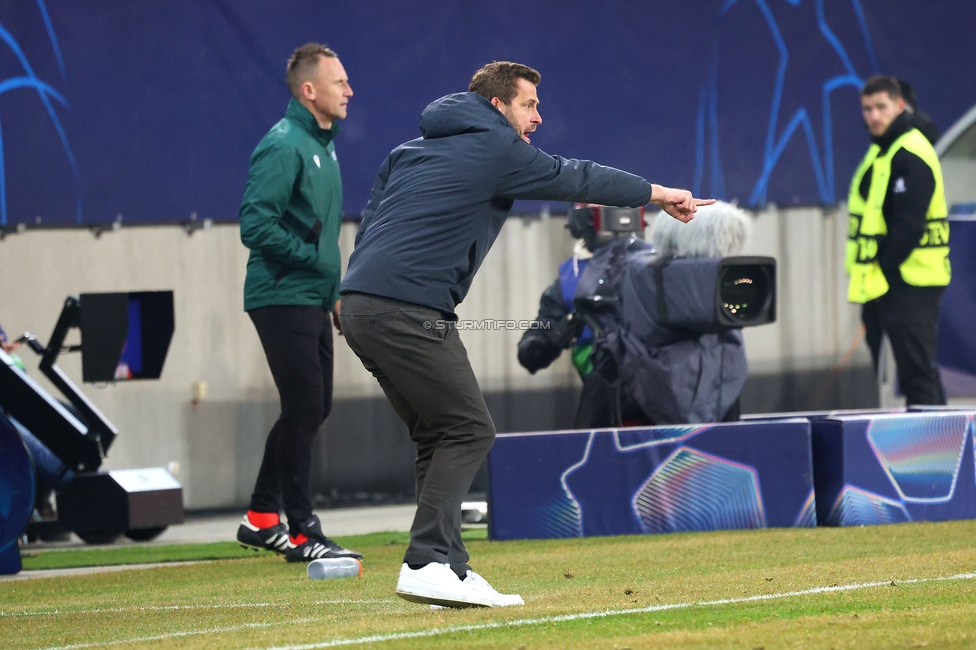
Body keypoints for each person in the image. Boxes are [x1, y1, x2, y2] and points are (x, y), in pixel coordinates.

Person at [339, 61, 712, 607]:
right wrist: (657, 192)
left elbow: (370, 222)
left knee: (438, 434)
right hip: (406, 309)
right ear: (497, 107)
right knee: (469, 431)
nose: (538, 116)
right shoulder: (496, 148)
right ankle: (425, 561)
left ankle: (452, 566)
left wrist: (352, 291)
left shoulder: (406, 151)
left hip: (362, 305)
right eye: (529, 104)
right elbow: (576, 177)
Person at [235, 43, 361, 563]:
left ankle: (262, 518)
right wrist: (313, 262)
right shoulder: (285, 144)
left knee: (311, 407)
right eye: (339, 82)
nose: (349, 90)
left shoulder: (322, 145)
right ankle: (303, 530)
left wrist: (330, 290)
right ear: (309, 91)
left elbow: (319, 234)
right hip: (281, 293)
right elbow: (254, 225)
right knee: (306, 407)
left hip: (310, 294)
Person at [519, 201, 752, 427]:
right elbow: (533, 348)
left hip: (672, 384)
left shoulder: (660, 268)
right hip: (613, 392)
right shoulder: (570, 281)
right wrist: (550, 338)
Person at [847, 74, 950, 405]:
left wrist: (885, 277)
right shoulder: (884, 151)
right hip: (885, 284)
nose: (874, 116)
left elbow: (909, 226)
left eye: (881, 107)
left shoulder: (910, 152)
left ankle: (938, 454)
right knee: (903, 378)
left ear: (900, 106)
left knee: (918, 377)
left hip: (908, 282)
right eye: (867, 109)